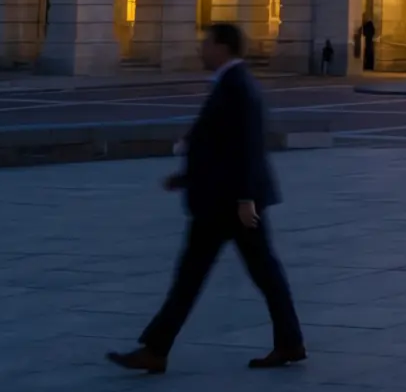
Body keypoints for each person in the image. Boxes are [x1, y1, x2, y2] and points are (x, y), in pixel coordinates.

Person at [109, 23, 305, 374]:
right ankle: (157, 348)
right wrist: (186, 177)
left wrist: (246, 199)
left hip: (230, 203)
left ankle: (156, 349)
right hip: (225, 200)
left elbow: (247, 147)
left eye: (206, 44)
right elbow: (220, 145)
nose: (202, 49)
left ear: (223, 47)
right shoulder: (232, 83)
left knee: (209, 276)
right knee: (221, 275)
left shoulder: (238, 86)